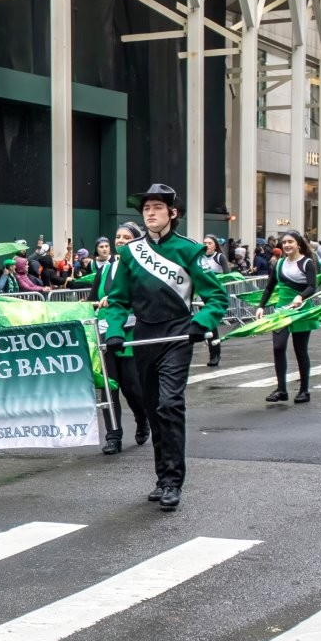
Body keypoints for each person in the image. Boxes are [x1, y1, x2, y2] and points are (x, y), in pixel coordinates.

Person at [103, 184, 227, 511]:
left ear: (172, 213)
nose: (150, 213)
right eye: (146, 209)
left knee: (170, 405)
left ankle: (173, 481)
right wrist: (115, 330)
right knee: (153, 407)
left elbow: (217, 298)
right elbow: (117, 301)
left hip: (177, 333)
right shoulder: (130, 253)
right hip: (144, 335)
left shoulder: (189, 251)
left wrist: (202, 322)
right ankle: (161, 478)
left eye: (157, 207)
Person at [91, 229, 149, 454]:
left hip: (132, 334)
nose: (121, 241)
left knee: (132, 387)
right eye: (118, 237)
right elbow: (91, 300)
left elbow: (148, 300)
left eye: (127, 237)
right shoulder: (106, 269)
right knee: (108, 386)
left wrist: (118, 301)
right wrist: (98, 304)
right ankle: (113, 435)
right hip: (105, 334)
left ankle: (142, 418)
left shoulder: (143, 267)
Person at [256, 229, 319, 404]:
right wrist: (261, 307)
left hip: (301, 311)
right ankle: (281, 389)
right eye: (284, 242)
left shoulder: (307, 263)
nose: (287, 245)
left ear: (298, 244)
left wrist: (300, 296)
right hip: (281, 311)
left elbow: (312, 286)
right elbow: (269, 287)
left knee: (300, 350)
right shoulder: (279, 263)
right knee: (278, 347)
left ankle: (304, 390)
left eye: (290, 242)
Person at [198, 234, 228, 367]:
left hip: (215, 296)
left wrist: (214, 279)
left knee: (212, 325)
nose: (207, 245)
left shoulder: (219, 257)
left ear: (215, 245)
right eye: (205, 243)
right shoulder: (200, 258)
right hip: (202, 295)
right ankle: (213, 353)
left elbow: (228, 274)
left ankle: (215, 354)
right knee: (207, 326)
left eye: (209, 243)